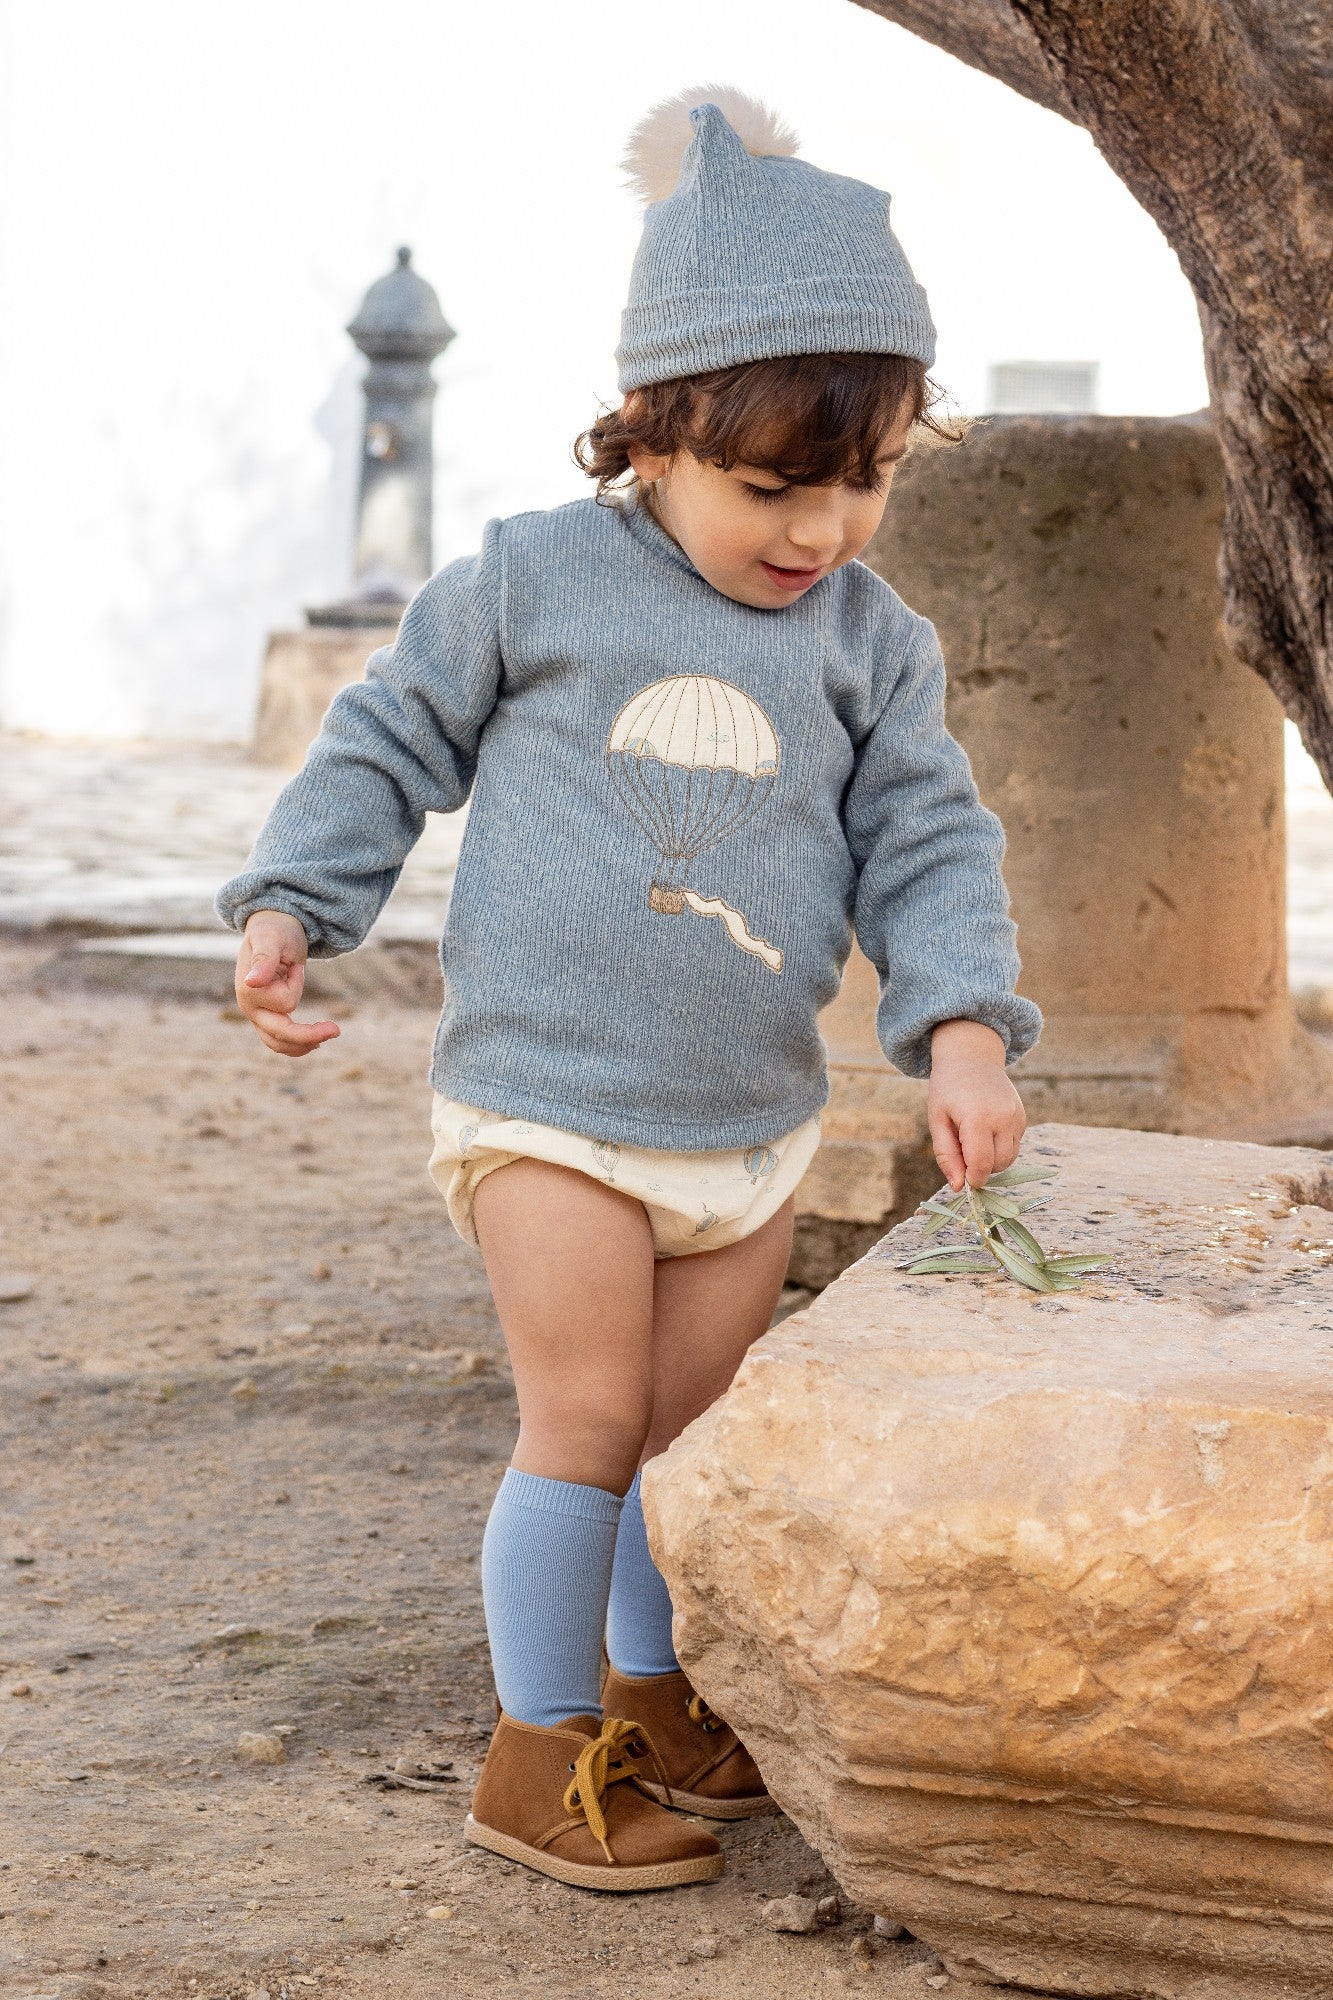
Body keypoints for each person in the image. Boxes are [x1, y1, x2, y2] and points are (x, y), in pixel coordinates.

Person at [217, 85, 1042, 1893]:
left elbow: (928, 842)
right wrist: (295, 902)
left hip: (743, 1120)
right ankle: (535, 1756)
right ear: (653, 431)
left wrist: (964, 1029)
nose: (822, 526)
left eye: (866, 477)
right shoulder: (534, 579)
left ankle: (649, 1697)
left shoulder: (871, 645)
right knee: (584, 1424)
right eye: (772, 486)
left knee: (683, 1438)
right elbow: (388, 738)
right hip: (551, 1104)